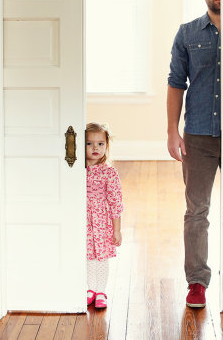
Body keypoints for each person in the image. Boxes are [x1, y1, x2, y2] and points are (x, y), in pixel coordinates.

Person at [166, 0, 221, 309]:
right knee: (196, 210)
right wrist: (172, 131)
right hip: (198, 136)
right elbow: (175, 83)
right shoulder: (187, 34)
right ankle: (196, 282)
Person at [85, 122, 123, 310]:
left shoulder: (109, 172)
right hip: (84, 221)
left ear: (106, 146)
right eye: (89, 143)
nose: (95, 148)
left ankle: (100, 290)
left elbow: (116, 202)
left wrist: (117, 229)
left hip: (101, 221)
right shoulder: (78, 170)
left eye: (100, 144)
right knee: (87, 256)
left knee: (100, 257)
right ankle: (90, 289)